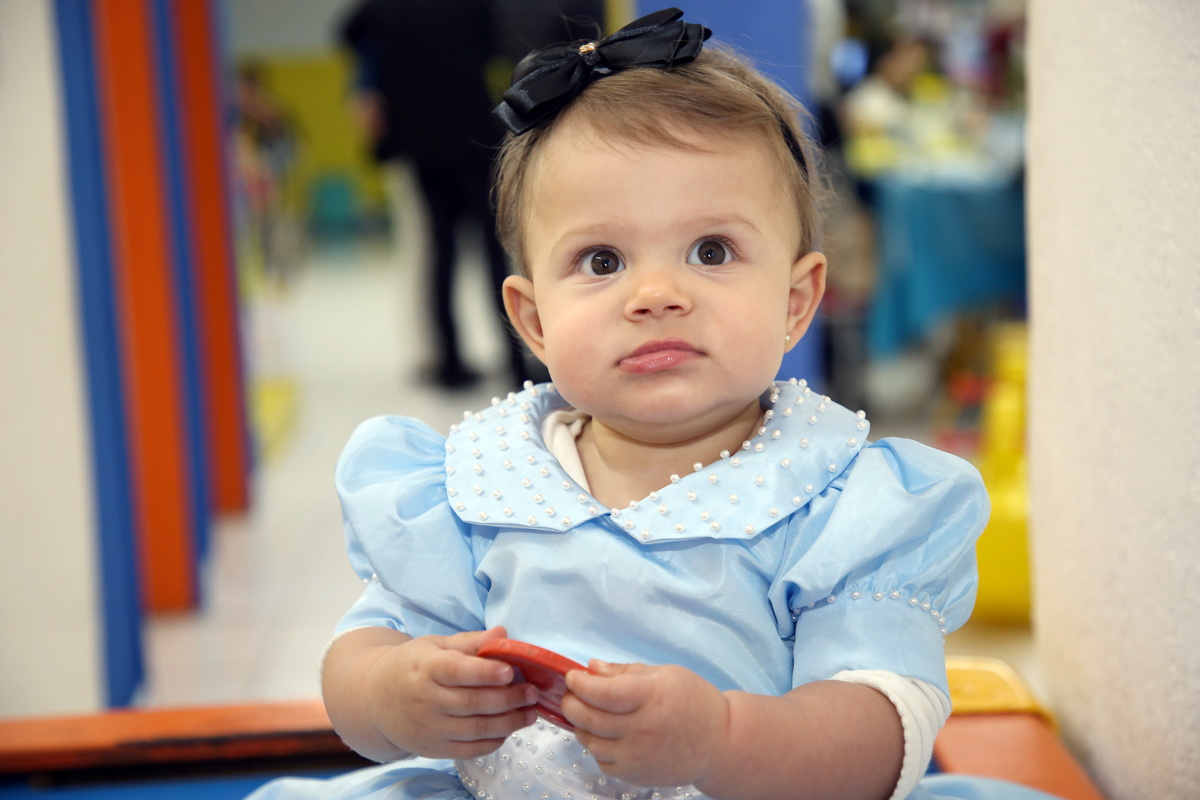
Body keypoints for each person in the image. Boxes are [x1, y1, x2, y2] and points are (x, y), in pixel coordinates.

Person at [249, 10, 1057, 800]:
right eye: (602, 260)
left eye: (711, 250)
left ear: (795, 300)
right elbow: (360, 661)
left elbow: (879, 742)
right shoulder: (475, 484)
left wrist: (722, 740)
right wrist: (396, 694)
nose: (657, 294)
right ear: (533, 320)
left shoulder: (840, 503)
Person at [341, 0, 530, 389]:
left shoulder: (385, 9)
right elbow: (499, 48)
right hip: (471, 131)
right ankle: (515, 364)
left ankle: (449, 364)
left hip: (419, 136)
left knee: (441, 251)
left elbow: (350, 32)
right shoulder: (472, 5)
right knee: (494, 250)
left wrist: (374, 82)